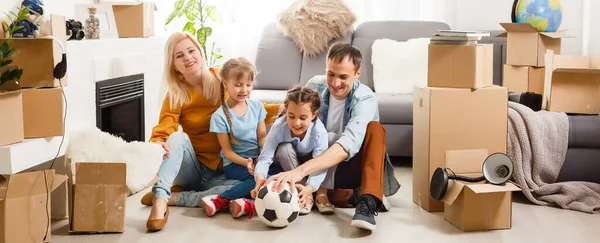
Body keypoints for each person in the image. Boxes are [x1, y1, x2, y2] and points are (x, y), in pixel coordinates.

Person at [142, 32, 281, 232]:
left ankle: (176, 197)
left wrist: (287, 110)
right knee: (177, 138)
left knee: (258, 185)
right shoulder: (175, 94)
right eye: (179, 55)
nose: (188, 58)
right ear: (173, 64)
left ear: (200, 52)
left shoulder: (221, 78)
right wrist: (158, 141)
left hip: (226, 169)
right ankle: (160, 201)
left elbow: (251, 107)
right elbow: (165, 129)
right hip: (195, 167)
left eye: (191, 51)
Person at [264, 42, 388, 231]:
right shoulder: (315, 85)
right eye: (331, 74)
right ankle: (339, 195)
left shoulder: (365, 98)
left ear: (357, 74)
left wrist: (300, 172)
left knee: (375, 129)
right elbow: (292, 121)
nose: (335, 83)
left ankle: (368, 200)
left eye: (343, 77)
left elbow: (348, 144)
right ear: (326, 68)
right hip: (316, 169)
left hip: (348, 165)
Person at [198, 57, 268, 219]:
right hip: (236, 164)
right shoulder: (220, 116)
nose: (244, 90)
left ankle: (246, 203)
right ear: (225, 84)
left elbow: (262, 137)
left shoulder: (256, 106)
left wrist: (263, 156)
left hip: (257, 159)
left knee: (279, 174)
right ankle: (220, 199)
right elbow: (227, 152)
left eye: (248, 85)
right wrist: (247, 163)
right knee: (264, 177)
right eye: (238, 85)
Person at [251, 85, 332, 215]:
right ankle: (300, 193)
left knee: (328, 152)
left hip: (308, 164)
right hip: (286, 162)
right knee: (284, 148)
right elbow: (265, 157)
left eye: (303, 118)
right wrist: (260, 177)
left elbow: (320, 165)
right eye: (291, 116)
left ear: (314, 115)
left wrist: (309, 188)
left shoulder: (319, 132)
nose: (296, 123)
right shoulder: (279, 127)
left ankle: (307, 194)